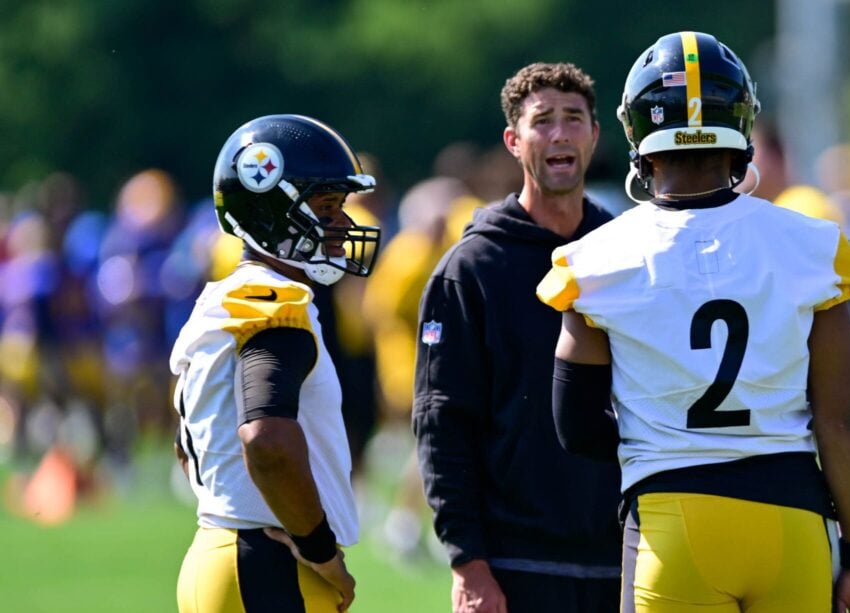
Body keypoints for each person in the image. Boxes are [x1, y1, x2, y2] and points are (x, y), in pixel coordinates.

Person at [538, 32, 850, 612]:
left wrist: (664, 443)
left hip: (675, 520)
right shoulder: (812, 246)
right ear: (743, 123)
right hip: (792, 519)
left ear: (638, 134)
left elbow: (574, 423)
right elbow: (842, 418)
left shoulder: (597, 259)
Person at [413, 62, 622, 613]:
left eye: (574, 119)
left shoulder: (625, 253)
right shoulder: (472, 267)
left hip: (625, 556)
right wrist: (468, 562)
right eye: (542, 121)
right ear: (514, 140)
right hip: (514, 566)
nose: (559, 134)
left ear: (594, 135)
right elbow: (441, 421)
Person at [170, 114, 381, 612]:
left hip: (220, 551)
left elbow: (186, 444)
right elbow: (266, 440)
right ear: (271, 212)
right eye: (327, 207)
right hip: (266, 564)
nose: (345, 223)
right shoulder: (274, 304)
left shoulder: (224, 299)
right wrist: (318, 548)